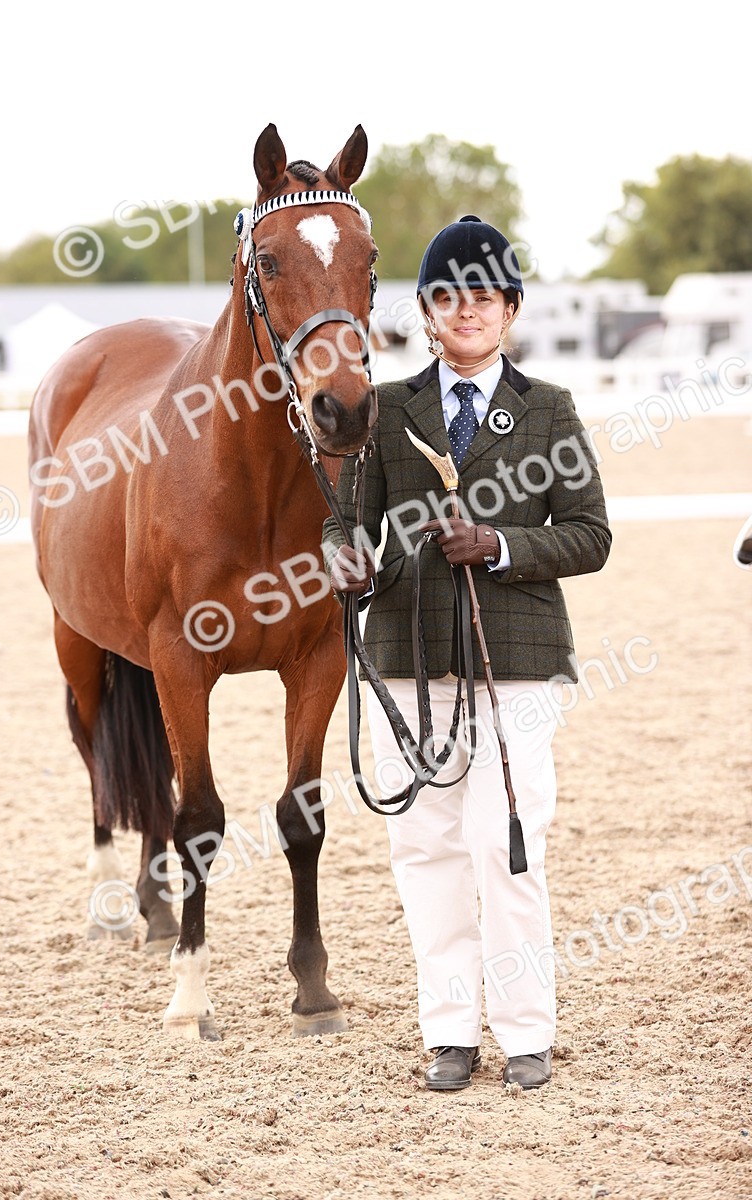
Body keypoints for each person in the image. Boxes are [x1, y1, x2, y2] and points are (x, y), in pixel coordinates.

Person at [322, 215, 612, 1092]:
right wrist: (343, 551)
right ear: (425, 309)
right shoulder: (389, 410)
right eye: (448, 297)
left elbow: (591, 535)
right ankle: (449, 1030)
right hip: (408, 655)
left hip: (515, 659)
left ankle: (526, 1031)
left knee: (504, 842)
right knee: (424, 848)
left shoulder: (549, 409)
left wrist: (500, 544)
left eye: (483, 296)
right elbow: (349, 515)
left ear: (511, 309)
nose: (467, 311)